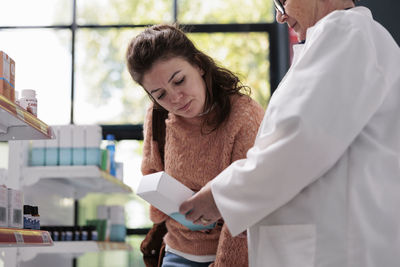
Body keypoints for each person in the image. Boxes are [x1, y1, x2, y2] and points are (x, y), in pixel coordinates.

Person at [179, 0, 400, 266]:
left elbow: (301, 142)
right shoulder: (343, 39)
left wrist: (220, 195)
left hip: (337, 250)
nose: (280, 16)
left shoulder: (348, 32)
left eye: (281, 1)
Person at [126, 24, 264, 267]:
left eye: (179, 81)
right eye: (160, 94)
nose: (175, 98)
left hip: (236, 255)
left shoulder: (244, 115)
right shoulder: (157, 115)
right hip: (176, 252)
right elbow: (151, 175)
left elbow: (248, 205)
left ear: (199, 65)